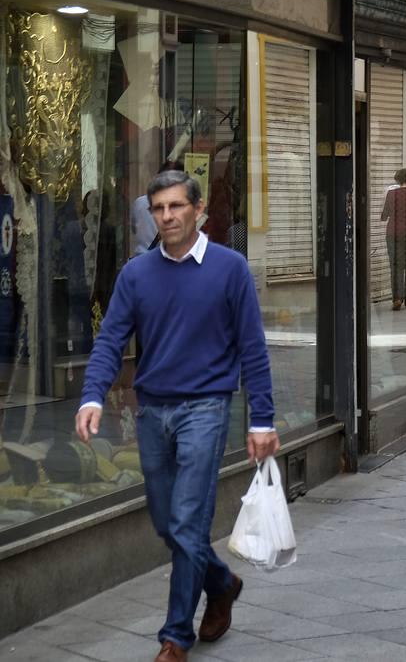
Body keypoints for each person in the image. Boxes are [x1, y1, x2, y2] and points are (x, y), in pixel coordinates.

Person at [75, 169, 278, 662]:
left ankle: (174, 638)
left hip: (206, 409)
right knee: (168, 524)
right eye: (158, 209)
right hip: (153, 413)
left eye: (175, 207)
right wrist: (91, 395)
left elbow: (253, 348)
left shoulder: (230, 269)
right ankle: (221, 582)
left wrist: (262, 420)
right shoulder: (136, 274)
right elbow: (109, 340)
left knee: (187, 522)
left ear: (198, 208)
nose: (166, 216)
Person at [381, 167, 406, 310]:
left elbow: (384, 216)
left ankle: (397, 299)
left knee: (395, 266)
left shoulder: (390, 193)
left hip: (392, 233)